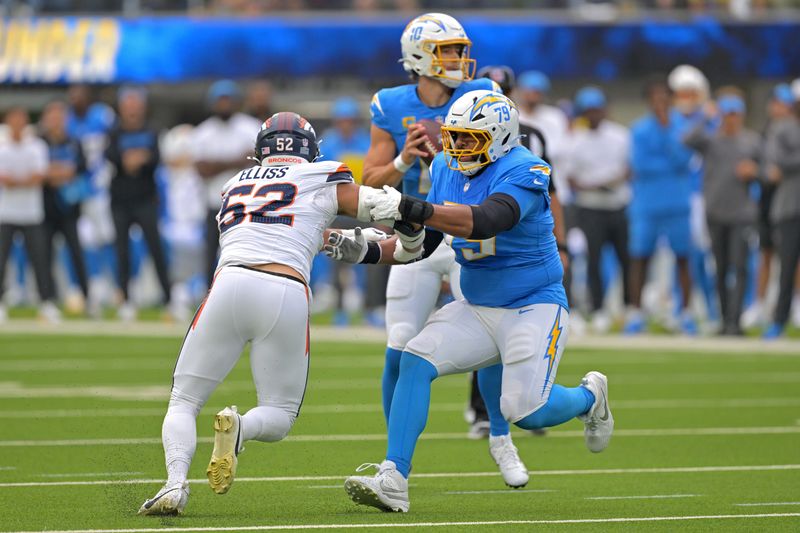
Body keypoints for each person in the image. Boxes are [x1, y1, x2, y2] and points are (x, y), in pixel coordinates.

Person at [331, 90, 612, 513]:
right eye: (454, 137)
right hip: (478, 305)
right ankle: (394, 476)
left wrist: (409, 205)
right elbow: (425, 244)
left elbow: (485, 221)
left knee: (526, 412)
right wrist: (366, 250)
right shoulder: (445, 165)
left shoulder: (526, 169)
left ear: (499, 138)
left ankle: (590, 396)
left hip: (532, 304)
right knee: (414, 359)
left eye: (468, 139)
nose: (456, 147)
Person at [137, 111, 424, 516]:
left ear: (261, 151)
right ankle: (242, 427)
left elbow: (287, 228)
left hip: (229, 285)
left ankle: (174, 484)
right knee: (279, 413)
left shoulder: (233, 185)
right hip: (285, 290)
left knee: (183, 400)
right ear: (310, 150)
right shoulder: (321, 175)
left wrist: (340, 239)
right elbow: (379, 204)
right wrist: (418, 226)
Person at [361, 12, 528, 487]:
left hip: (466, 232)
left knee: (494, 339)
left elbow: (507, 157)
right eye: (448, 50)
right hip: (414, 234)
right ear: (419, 56)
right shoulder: (390, 105)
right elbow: (370, 180)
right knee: (399, 346)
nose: (458, 58)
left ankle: (500, 438)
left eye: (458, 49)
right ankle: (394, 464)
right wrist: (404, 158)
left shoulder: (483, 96)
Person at [683, 90, 761, 336]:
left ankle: (735, 321)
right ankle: (724, 319)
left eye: (735, 115)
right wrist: (705, 117)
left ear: (742, 116)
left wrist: (755, 171)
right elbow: (686, 139)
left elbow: (769, 169)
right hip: (715, 212)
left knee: (739, 268)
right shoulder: (711, 140)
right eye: (727, 114)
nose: (731, 119)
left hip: (742, 214)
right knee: (720, 267)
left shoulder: (752, 141)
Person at [625, 76, 696, 335]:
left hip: (678, 202)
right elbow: (640, 165)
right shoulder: (639, 129)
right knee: (640, 257)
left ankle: (686, 313)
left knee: (684, 258)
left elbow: (685, 160)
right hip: (647, 204)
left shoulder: (682, 126)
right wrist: (668, 160)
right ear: (648, 101)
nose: (660, 102)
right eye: (655, 97)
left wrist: (667, 133)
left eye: (664, 96)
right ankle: (635, 313)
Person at [563, 86, 631, 333]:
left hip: (617, 203)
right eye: (589, 110)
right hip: (590, 206)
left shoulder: (620, 135)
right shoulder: (575, 140)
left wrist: (603, 182)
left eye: (597, 109)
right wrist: (599, 183)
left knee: (626, 257)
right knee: (594, 259)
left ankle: (628, 307)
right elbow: (571, 179)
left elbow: (628, 170)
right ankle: (598, 307)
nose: (594, 114)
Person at [105, 87, 171, 320]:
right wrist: (131, 160)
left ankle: (169, 299)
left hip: (145, 199)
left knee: (156, 249)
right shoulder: (113, 131)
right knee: (122, 252)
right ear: (122, 107)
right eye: (128, 103)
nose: (132, 108)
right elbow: (111, 157)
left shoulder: (152, 130)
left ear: (141, 106)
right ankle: (125, 299)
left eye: (135, 103)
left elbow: (155, 158)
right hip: (120, 200)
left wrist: (136, 159)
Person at [316, 97, 380, 327]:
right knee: (337, 263)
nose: (346, 124)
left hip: (363, 210)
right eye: (342, 120)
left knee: (370, 260)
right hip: (337, 211)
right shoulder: (328, 145)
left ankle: (369, 309)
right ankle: (340, 310)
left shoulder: (365, 143)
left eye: (349, 120)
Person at [192, 80, 261, 288]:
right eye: (220, 101)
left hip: (247, 203)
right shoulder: (203, 132)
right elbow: (202, 169)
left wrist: (217, 163)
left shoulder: (251, 127)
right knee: (210, 253)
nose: (224, 105)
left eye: (227, 101)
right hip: (215, 202)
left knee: (246, 253)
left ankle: (245, 292)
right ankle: (208, 295)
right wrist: (237, 160)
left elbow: (257, 162)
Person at [668, 65, 719, 330]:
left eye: (691, 93)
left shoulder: (714, 118)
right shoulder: (672, 120)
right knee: (683, 256)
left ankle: (713, 309)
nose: (687, 98)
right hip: (680, 197)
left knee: (707, 257)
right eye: (682, 93)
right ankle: (682, 309)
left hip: (707, 195)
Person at [743, 83, 796, 328]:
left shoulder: (791, 129)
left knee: (793, 257)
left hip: (790, 199)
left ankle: (793, 305)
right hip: (770, 200)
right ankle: (762, 305)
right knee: (768, 254)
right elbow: (768, 167)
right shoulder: (767, 131)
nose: (779, 108)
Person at [0, 107, 60, 323]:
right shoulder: (2, 145)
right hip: (5, 213)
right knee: (1, 260)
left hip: (31, 213)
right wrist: (22, 180)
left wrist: (16, 181)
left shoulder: (36, 146)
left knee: (40, 260)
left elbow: (39, 176)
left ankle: (47, 303)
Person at [66, 84, 117, 314]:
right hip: (77, 188)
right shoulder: (67, 120)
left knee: (106, 236)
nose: (75, 98)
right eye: (72, 95)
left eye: (79, 94)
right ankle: (83, 285)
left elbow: (114, 143)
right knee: (82, 239)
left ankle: (111, 284)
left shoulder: (103, 116)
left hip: (102, 185)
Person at [39, 100, 92, 313]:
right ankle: (48, 300)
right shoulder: (39, 142)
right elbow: (38, 171)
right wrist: (59, 173)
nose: (56, 121)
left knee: (76, 253)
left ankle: (87, 298)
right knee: (45, 255)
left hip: (69, 209)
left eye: (59, 116)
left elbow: (80, 168)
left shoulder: (73, 142)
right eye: (52, 116)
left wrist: (56, 173)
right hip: (46, 209)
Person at [763, 79, 800, 339]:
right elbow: (778, 160)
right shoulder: (783, 128)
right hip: (790, 207)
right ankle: (779, 320)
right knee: (786, 266)